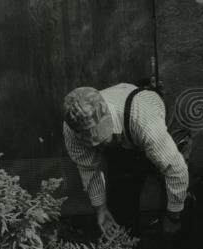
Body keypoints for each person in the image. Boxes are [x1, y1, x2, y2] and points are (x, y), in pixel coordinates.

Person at [62, 84, 188, 237]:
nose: (96, 144)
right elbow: (89, 169)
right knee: (120, 206)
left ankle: (178, 244)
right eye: (89, 140)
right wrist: (101, 209)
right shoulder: (71, 129)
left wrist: (173, 217)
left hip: (163, 122)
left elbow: (176, 169)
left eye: (99, 136)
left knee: (181, 199)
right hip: (126, 137)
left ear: (108, 115)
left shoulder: (143, 120)